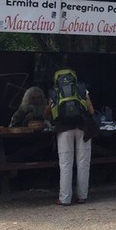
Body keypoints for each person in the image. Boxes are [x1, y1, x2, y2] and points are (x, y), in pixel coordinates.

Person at [44, 70, 95, 205]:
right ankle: (82, 196)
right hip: (83, 128)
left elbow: (47, 113)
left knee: (66, 164)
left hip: (63, 130)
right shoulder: (81, 88)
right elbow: (91, 110)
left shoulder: (54, 91)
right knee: (83, 163)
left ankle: (65, 198)